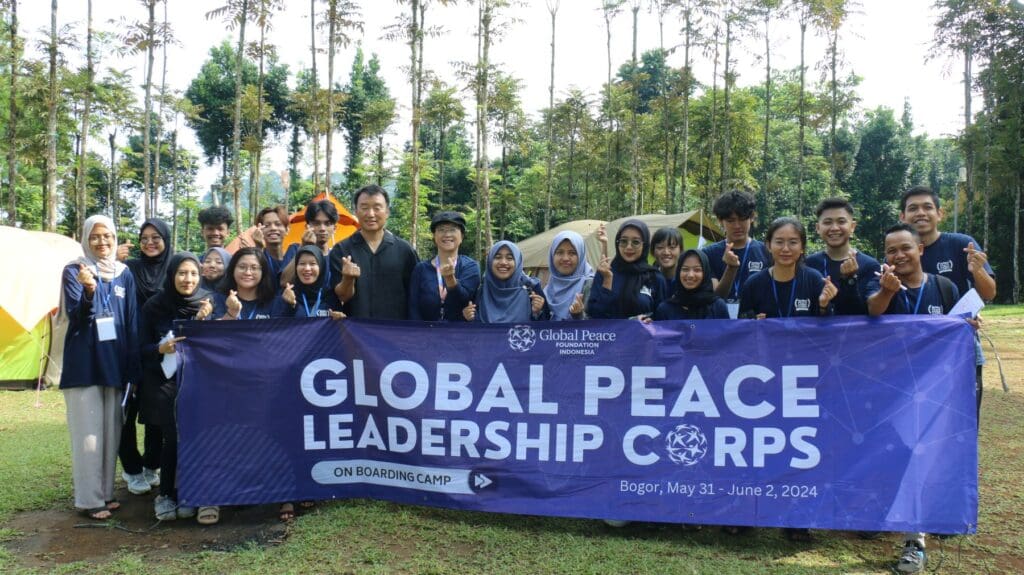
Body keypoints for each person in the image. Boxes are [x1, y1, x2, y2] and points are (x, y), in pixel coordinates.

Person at [865, 223, 962, 574]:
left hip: (933, 391)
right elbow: (873, 310)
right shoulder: (879, 283)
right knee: (889, 458)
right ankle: (879, 516)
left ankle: (914, 541)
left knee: (918, 460)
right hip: (888, 390)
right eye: (891, 250)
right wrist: (887, 291)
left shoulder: (944, 287)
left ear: (920, 249)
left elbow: (960, 327)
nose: (899, 255)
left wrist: (969, 326)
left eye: (905, 247)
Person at [60, 215, 140, 520]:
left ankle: (105, 493)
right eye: (95, 236)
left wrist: (132, 369)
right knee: (88, 436)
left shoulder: (124, 274)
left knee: (110, 433)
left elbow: (131, 321)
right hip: (85, 364)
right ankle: (89, 500)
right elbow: (77, 316)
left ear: (115, 238)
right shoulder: (75, 270)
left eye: (107, 236)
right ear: (85, 239)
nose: (102, 242)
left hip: (115, 363)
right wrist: (89, 291)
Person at [898, 185, 994, 417]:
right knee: (917, 420)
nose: (921, 213)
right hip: (914, 353)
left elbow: (989, 293)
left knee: (961, 421)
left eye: (927, 207)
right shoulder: (898, 253)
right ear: (903, 216)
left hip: (959, 349)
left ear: (940, 213)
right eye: (913, 208)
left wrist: (978, 271)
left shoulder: (961, 244)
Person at [138, 253, 214, 521]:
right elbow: (140, 348)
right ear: (171, 275)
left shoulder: (208, 302)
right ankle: (167, 494)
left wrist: (202, 321)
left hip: (199, 382)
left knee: (197, 438)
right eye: (182, 273)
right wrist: (160, 348)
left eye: (193, 273)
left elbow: (217, 345)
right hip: (164, 381)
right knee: (172, 437)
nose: (187, 279)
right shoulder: (154, 305)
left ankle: (192, 493)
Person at [120, 218, 173, 496]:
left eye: (156, 237)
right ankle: (131, 469)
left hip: (161, 350)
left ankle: (152, 464)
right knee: (127, 412)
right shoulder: (128, 268)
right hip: (130, 346)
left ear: (166, 239)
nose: (150, 243)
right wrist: (114, 260)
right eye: (144, 238)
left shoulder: (173, 267)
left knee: (156, 411)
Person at [330, 185, 418, 319]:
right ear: (356, 211)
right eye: (364, 208)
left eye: (377, 208)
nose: (371, 214)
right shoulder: (342, 250)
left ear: (387, 212)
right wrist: (348, 279)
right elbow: (342, 296)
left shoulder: (405, 250)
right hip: (355, 329)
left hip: (396, 329)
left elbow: (415, 296)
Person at [740, 217, 837, 320]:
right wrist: (753, 321)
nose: (785, 249)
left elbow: (827, 324)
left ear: (802, 247)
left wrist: (823, 305)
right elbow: (741, 323)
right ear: (769, 246)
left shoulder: (814, 280)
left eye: (793, 242)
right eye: (779, 242)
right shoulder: (753, 284)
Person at [805, 198, 881, 316]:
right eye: (827, 222)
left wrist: (850, 280)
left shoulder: (870, 265)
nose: (834, 228)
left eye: (841, 221)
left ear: (852, 226)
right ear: (818, 228)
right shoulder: (809, 264)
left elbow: (867, 312)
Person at [702, 190, 771, 317]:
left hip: (756, 323)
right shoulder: (707, 254)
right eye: (731, 220)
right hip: (721, 322)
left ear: (752, 217)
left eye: (742, 219)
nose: (737, 225)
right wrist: (731, 268)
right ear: (720, 221)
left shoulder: (766, 251)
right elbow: (716, 296)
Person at [586, 219, 665, 320]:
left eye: (635, 242)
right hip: (609, 331)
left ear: (644, 245)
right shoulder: (605, 273)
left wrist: (649, 320)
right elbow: (594, 315)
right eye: (623, 241)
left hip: (643, 330)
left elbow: (663, 317)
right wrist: (607, 281)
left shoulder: (655, 277)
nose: (628, 247)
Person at [408, 211, 480, 321]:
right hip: (425, 330)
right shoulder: (421, 269)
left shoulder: (470, 267)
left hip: (459, 331)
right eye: (441, 230)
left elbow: (465, 299)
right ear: (434, 236)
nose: (447, 234)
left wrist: (450, 279)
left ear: (462, 236)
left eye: (452, 230)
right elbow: (413, 308)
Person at [463, 241, 550, 322]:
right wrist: (468, 318)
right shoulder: (480, 290)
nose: (503, 262)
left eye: (509, 258)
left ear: (517, 262)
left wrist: (537, 312)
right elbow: (472, 330)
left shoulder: (532, 290)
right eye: (497, 257)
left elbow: (546, 329)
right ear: (489, 261)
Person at [653, 249, 730, 320]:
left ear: (705, 273)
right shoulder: (665, 310)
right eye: (685, 269)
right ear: (678, 272)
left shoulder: (718, 307)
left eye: (697, 270)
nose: (690, 275)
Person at [213, 247, 283, 320]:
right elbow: (214, 327)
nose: (247, 273)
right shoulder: (219, 299)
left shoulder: (275, 303)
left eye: (254, 268)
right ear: (232, 269)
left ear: (263, 272)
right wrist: (231, 313)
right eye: (242, 267)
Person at [281, 200, 338, 286]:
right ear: (307, 227)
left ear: (334, 228)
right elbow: (284, 282)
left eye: (327, 224)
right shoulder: (295, 249)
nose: (322, 228)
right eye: (316, 223)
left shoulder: (336, 256)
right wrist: (303, 247)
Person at [278, 246, 344, 319]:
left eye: (312, 264)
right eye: (302, 263)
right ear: (296, 267)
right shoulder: (288, 295)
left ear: (321, 267)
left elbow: (343, 324)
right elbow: (277, 325)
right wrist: (290, 306)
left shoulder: (331, 296)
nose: (307, 268)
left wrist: (340, 320)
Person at [544, 230, 594, 320]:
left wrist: (578, 315)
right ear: (552, 255)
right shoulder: (549, 288)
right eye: (560, 252)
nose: (565, 258)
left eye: (572, 253)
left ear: (581, 256)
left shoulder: (590, 285)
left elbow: (599, 325)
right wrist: (537, 312)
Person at [249, 205, 299, 286]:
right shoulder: (257, 255)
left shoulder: (295, 252)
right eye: (267, 225)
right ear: (259, 230)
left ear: (287, 230)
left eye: (278, 224)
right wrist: (258, 248)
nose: (273, 228)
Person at [651, 227, 683, 292]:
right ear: (653, 251)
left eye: (672, 247)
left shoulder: (688, 279)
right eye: (660, 247)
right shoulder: (647, 280)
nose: (666, 252)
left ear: (681, 250)